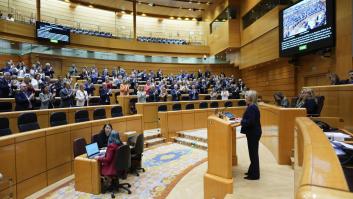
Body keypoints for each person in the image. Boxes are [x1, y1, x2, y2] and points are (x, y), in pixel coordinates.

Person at [241, 90, 262, 180]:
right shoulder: (252, 106)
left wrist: (241, 121)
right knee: (252, 153)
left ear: (250, 98)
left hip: (253, 133)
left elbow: (250, 122)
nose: (244, 98)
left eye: (246, 96)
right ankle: (251, 171)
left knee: (253, 154)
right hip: (254, 132)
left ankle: (255, 175)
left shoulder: (252, 107)